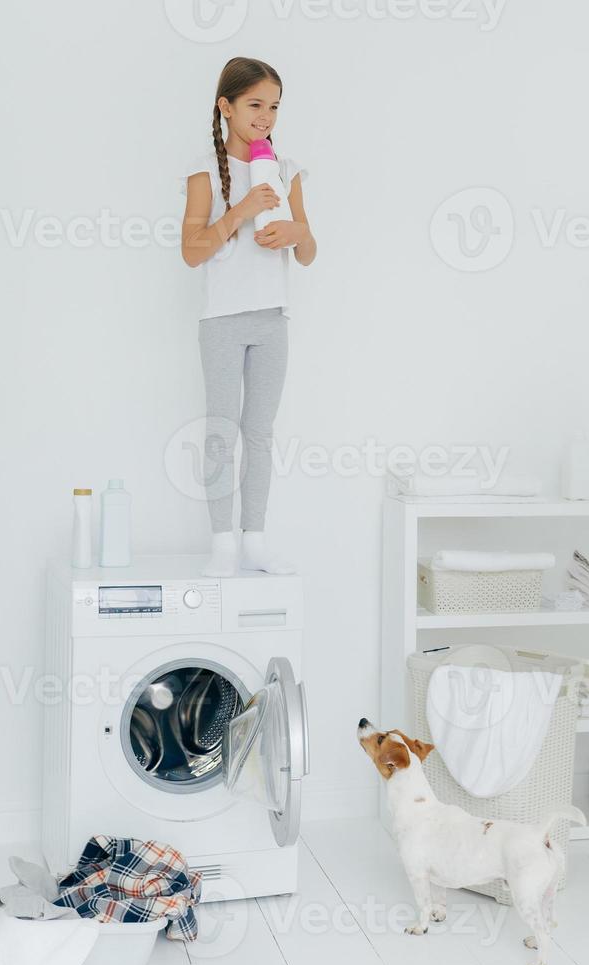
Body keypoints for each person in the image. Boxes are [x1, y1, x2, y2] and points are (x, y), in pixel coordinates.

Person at [180, 56, 317, 576]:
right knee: (221, 431)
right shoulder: (202, 172)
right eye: (255, 104)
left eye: (274, 107)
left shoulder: (287, 171)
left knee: (260, 433)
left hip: (271, 320)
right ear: (226, 107)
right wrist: (239, 211)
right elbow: (192, 251)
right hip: (221, 321)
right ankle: (222, 544)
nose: (266, 116)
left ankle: (254, 540)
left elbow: (307, 253)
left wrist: (298, 233)